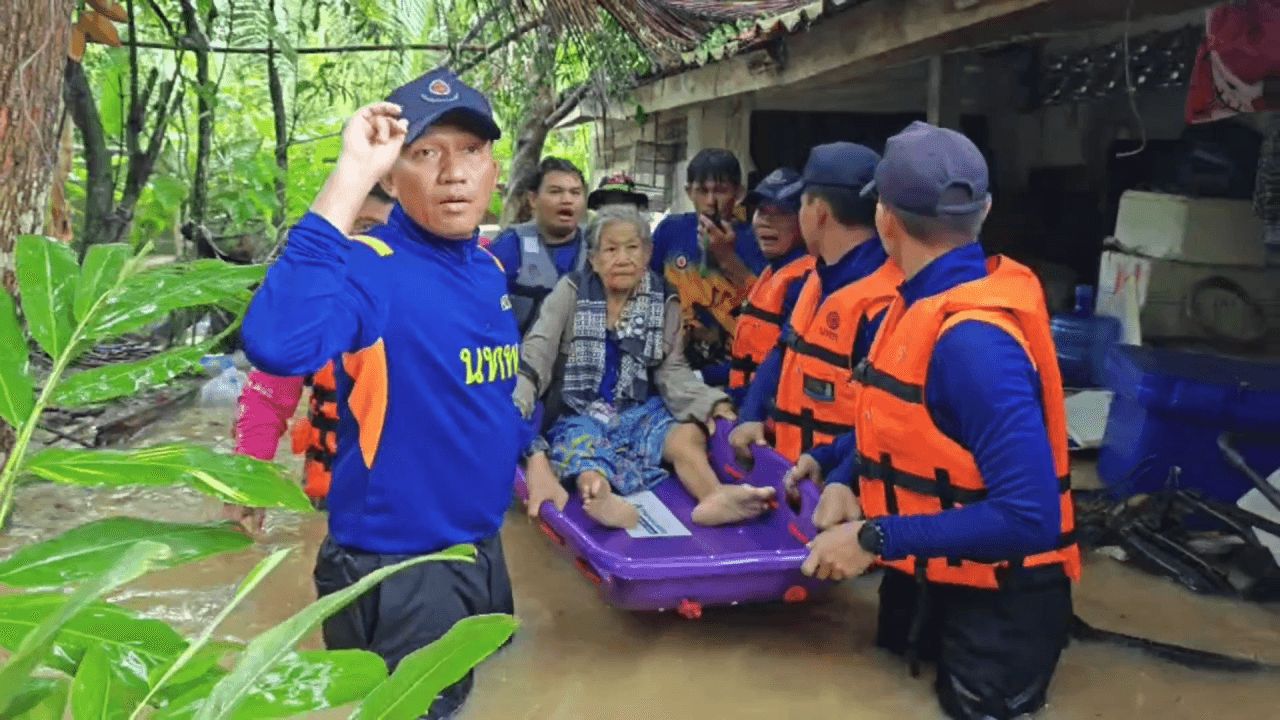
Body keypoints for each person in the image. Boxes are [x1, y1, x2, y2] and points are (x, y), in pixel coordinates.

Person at [239, 68, 526, 719]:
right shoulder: (373, 268)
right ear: (392, 180)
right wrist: (348, 177)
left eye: (470, 151)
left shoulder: (485, 267)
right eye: (425, 153)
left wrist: (530, 455)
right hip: (401, 566)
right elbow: (278, 345)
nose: (453, 172)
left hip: (476, 546)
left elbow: (484, 392)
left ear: (494, 169)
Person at [801, 121, 1081, 720]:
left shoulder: (975, 343)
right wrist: (841, 475)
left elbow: (1030, 517)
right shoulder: (916, 303)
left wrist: (876, 538)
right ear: (985, 210)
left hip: (1001, 602)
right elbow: (906, 423)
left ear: (884, 219)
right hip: (926, 570)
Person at [516, 206, 773, 529]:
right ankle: (602, 497)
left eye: (632, 248)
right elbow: (537, 353)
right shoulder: (570, 292)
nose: (622, 258)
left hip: (639, 410)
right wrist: (518, 403)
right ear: (594, 258)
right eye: (611, 249)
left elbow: (672, 370)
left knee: (686, 435)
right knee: (583, 451)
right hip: (578, 411)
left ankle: (714, 495)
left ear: (648, 253)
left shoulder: (664, 298)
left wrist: (709, 404)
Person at [728, 143, 900, 528]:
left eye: (799, 204)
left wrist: (839, 478)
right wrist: (752, 414)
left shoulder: (884, 302)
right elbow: (785, 349)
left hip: (847, 506)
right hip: (797, 483)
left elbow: (894, 422)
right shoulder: (819, 278)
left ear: (818, 212)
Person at [229, 188, 395, 520]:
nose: (356, 243)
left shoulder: (436, 297)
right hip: (333, 496)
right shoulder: (316, 308)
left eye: (370, 230)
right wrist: (247, 488)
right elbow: (266, 398)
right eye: (349, 228)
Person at [651, 148, 766, 388]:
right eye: (702, 191)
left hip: (736, 376)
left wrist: (727, 258)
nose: (711, 201)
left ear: (739, 192)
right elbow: (648, 290)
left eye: (721, 190)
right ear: (688, 192)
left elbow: (765, 304)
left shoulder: (758, 240)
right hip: (674, 368)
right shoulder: (670, 231)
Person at [726, 167, 813, 401]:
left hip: (769, 418)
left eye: (782, 212)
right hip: (744, 400)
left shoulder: (804, 281)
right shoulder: (771, 272)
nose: (766, 220)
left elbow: (781, 363)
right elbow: (747, 363)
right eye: (762, 211)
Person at [487, 157, 589, 334]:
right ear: (533, 199)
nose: (567, 200)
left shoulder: (599, 244)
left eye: (575, 192)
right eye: (556, 192)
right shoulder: (509, 246)